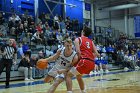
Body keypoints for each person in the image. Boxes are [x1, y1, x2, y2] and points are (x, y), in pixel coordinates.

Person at [66, 26, 100, 93]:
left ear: (83, 32)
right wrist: (90, 58)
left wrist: (76, 61)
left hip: (84, 61)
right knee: (78, 76)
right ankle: (83, 91)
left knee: (68, 75)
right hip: (92, 63)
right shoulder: (91, 41)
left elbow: (78, 52)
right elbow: (97, 54)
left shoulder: (78, 39)